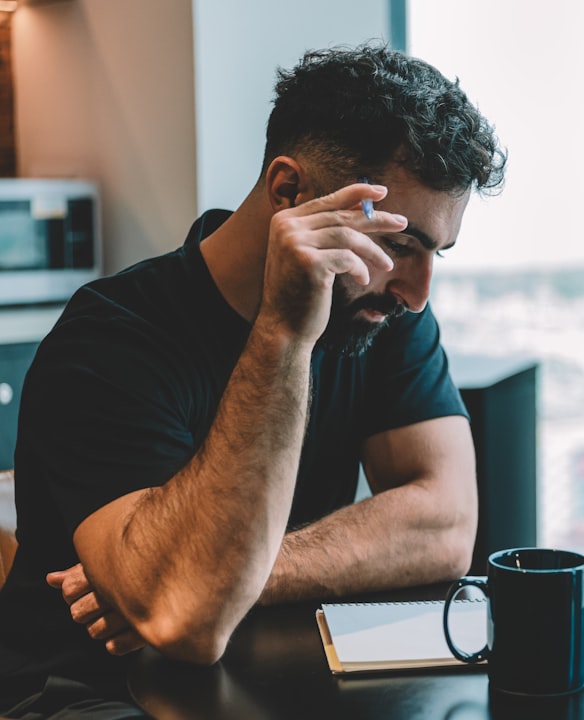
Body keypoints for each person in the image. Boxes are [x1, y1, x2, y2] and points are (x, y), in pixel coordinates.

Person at [0, 42, 505, 715]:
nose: (417, 290)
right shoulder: (108, 340)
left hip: (275, 671)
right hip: (87, 692)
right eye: (397, 243)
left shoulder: (382, 312)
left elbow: (444, 524)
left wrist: (231, 577)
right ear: (288, 192)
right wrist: (283, 333)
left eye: (435, 252)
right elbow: (187, 624)